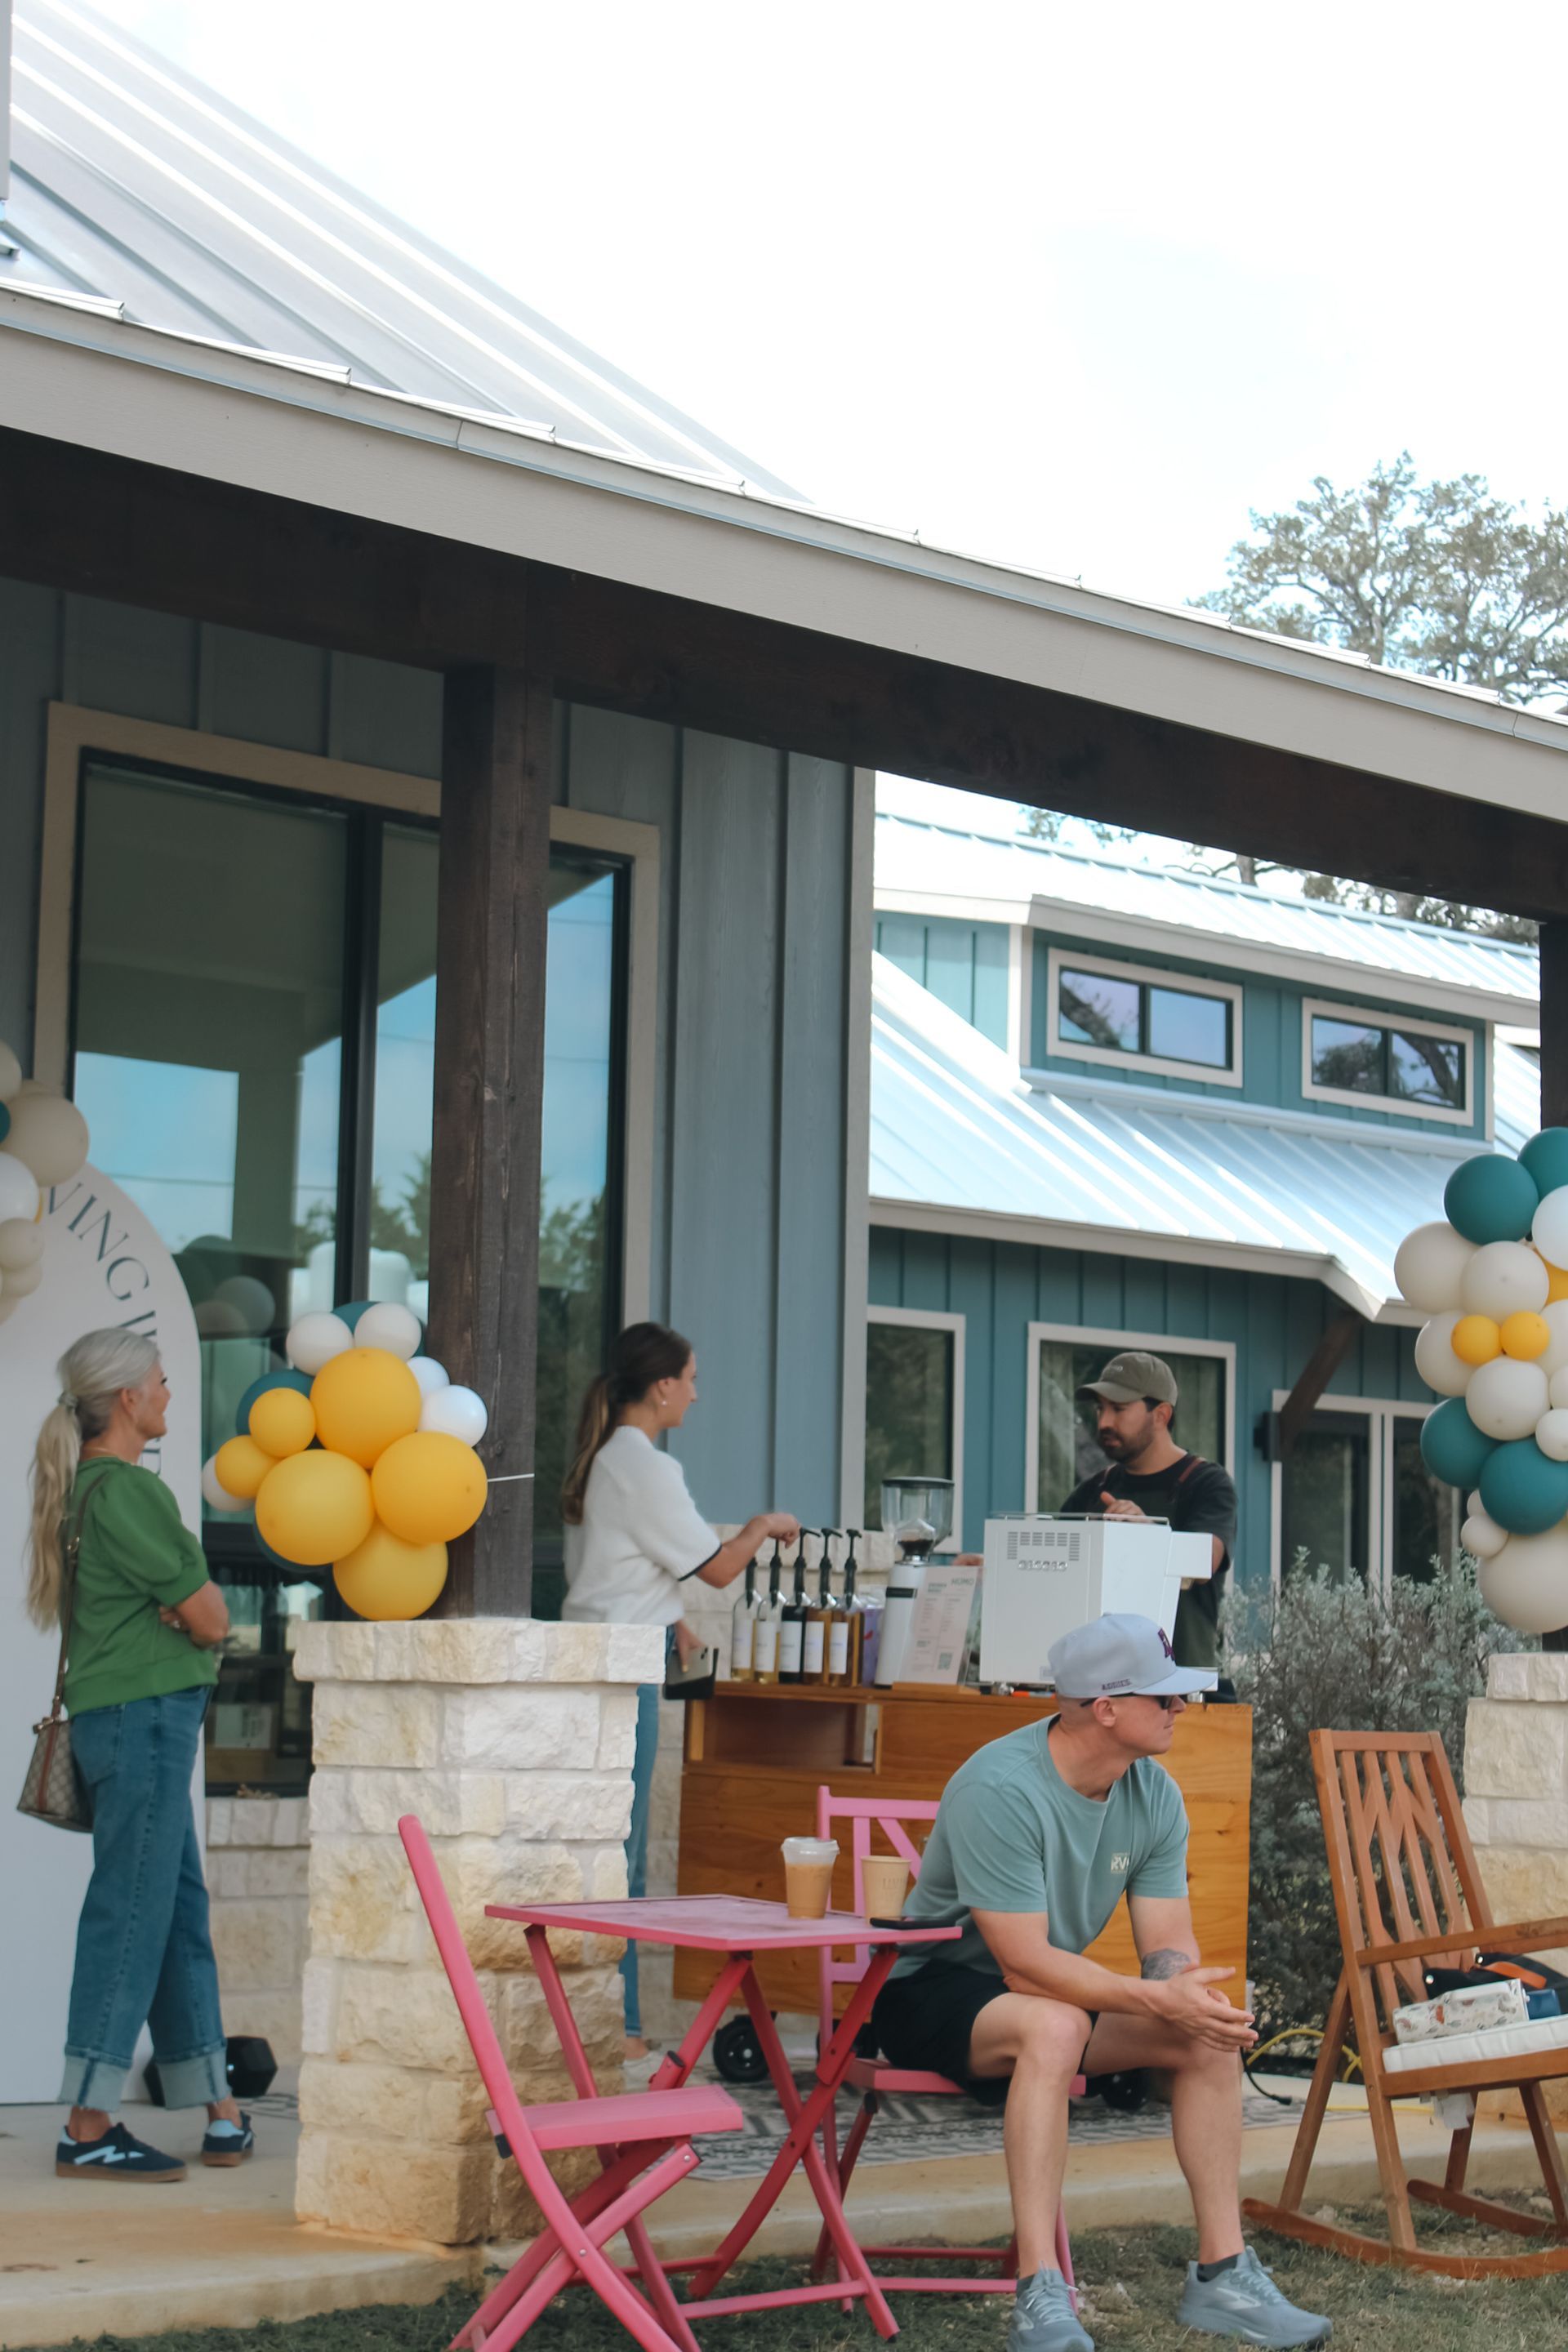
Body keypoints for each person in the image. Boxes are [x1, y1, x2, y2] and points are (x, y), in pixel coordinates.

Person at [870, 1615, 1330, 2352]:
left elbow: (1167, 1947)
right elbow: (1021, 1964)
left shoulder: (1154, 1795)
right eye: (1165, 1698)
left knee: (1204, 2031)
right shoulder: (1001, 1787)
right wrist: (1153, 1997)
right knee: (1053, 2025)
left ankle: (1223, 2276)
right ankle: (1040, 2293)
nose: (1182, 1709)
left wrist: (1186, 1995)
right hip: (932, 1992)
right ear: (1105, 1708)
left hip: (1048, 1998)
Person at [24, 1330, 252, 2185]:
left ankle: (218, 2107)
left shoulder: (92, 1491)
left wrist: (184, 1611)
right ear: (125, 1399)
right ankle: (89, 2121)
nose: (166, 1394)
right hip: (145, 1720)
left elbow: (190, 1612)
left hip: (132, 1718)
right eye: (159, 1383)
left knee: (173, 1909)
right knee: (132, 1910)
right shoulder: (127, 1492)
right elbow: (214, 1617)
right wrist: (190, 1612)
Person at [560, 1321, 799, 2064]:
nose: (696, 1392)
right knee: (622, 1857)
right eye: (690, 1378)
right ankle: (621, 2025)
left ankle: (610, 2018)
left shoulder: (608, 1460)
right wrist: (763, 1525)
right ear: (662, 1385)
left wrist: (674, 1621)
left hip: (602, 1658)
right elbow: (719, 1569)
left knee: (606, 1851)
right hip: (623, 1670)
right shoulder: (647, 1467)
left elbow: (623, 1568)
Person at [1058, 1352, 1237, 1673]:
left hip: (1181, 1694)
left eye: (1119, 1409)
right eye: (1100, 1409)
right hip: (1098, 1691)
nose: (1103, 1423)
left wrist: (1149, 1533)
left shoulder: (1206, 1483)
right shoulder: (1092, 1490)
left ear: (1161, 1415)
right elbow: (1052, 1565)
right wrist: (991, 1566)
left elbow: (1205, 1559)